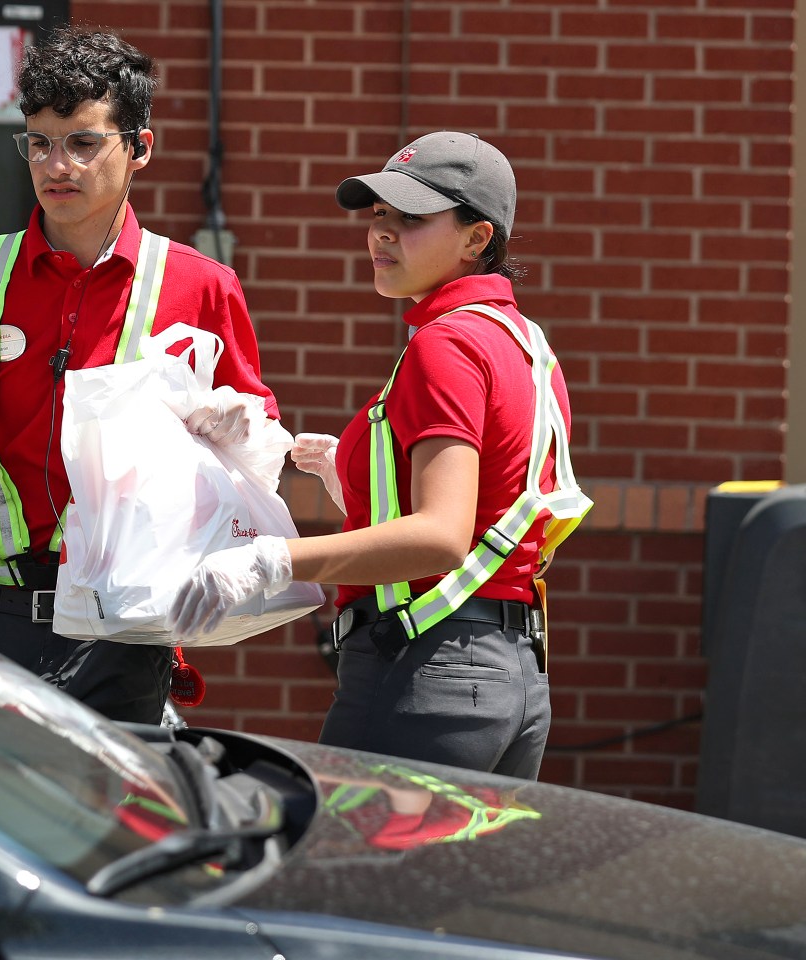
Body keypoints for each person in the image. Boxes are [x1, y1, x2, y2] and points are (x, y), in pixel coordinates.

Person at [0, 26, 277, 724]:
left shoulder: (200, 285)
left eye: (83, 142)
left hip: (125, 620)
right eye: (39, 142)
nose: (56, 163)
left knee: (108, 827)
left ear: (140, 149)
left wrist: (240, 426)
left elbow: (256, 455)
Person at [168, 132, 589, 779]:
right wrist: (356, 478)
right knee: (448, 882)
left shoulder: (445, 345)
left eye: (412, 219)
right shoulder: (522, 342)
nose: (383, 235)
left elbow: (441, 535)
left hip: (426, 670)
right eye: (378, 216)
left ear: (478, 238)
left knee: (354, 873)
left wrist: (270, 560)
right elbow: (489, 516)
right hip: (508, 674)